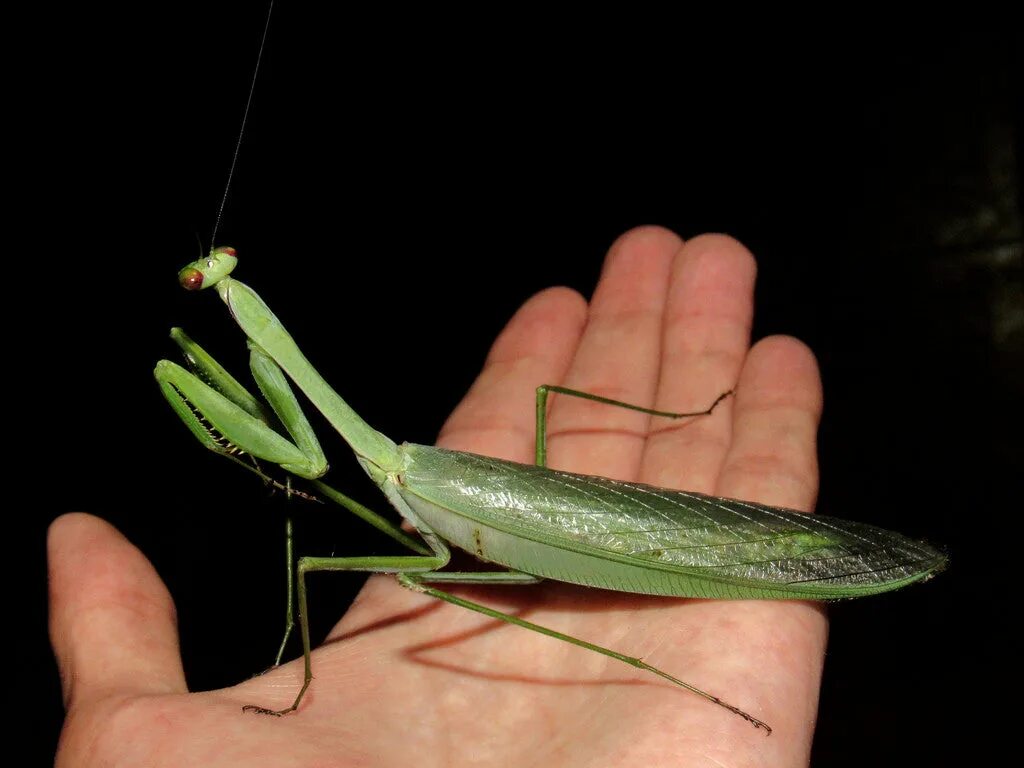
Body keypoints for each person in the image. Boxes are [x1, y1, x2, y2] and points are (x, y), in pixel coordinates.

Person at [49, 228, 825, 766]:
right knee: (540, 395)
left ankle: (660, 664)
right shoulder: (376, 454)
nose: (210, 273)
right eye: (204, 272)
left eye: (212, 267)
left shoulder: (363, 463)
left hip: (510, 520)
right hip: (446, 483)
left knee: (317, 559)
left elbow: (304, 459)